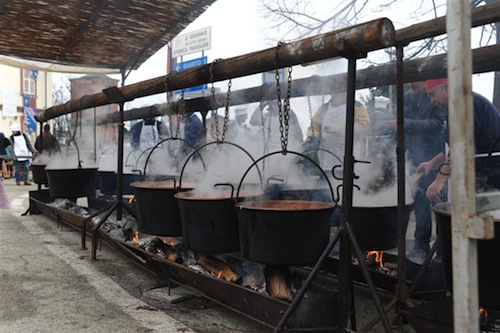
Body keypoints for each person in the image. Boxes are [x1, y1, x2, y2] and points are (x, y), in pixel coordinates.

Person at [386, 81, 448, 264]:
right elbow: (401, 122)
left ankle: (443, 250)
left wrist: (405, 124)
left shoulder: (437, 99)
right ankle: (421, 246)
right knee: (419, 202)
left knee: (439, 204)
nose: (411, 86)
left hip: (436, 156)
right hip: (413, 156)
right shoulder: (407, 97)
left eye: (415, 83)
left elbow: (437, 124)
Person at [417, 78, 500, 201]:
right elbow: (452, 147)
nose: (432, 101)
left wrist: (440, 180)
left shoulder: (466, 103)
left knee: (485, 217)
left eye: (433, 95)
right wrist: (432, 163)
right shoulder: (456, 106)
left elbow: (461, 148)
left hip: (490, 177)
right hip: (479, 175)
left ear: (447, 87)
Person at [305, 90, 370, 170]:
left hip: (350, 155)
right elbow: (313, 127)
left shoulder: (357, 106)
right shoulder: (324, 108)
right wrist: (315, 135)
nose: (340, 94)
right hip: (326, 155)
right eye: (337, 91)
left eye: (343, 91)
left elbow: (363, 127)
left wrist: (339, 128)